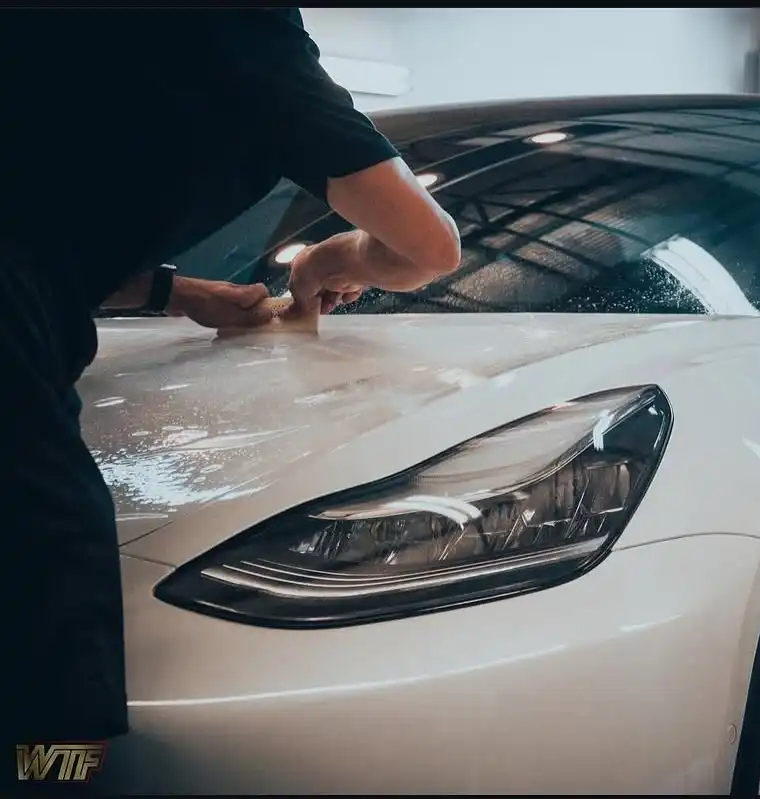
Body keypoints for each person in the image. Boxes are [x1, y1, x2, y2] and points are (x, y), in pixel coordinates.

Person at [1, 8, 460, 790]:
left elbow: (54, 224)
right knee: (54, 622)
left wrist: (180, 293)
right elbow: (432, 247)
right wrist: (322, 263)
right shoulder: (244, 30)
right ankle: (53, 779)